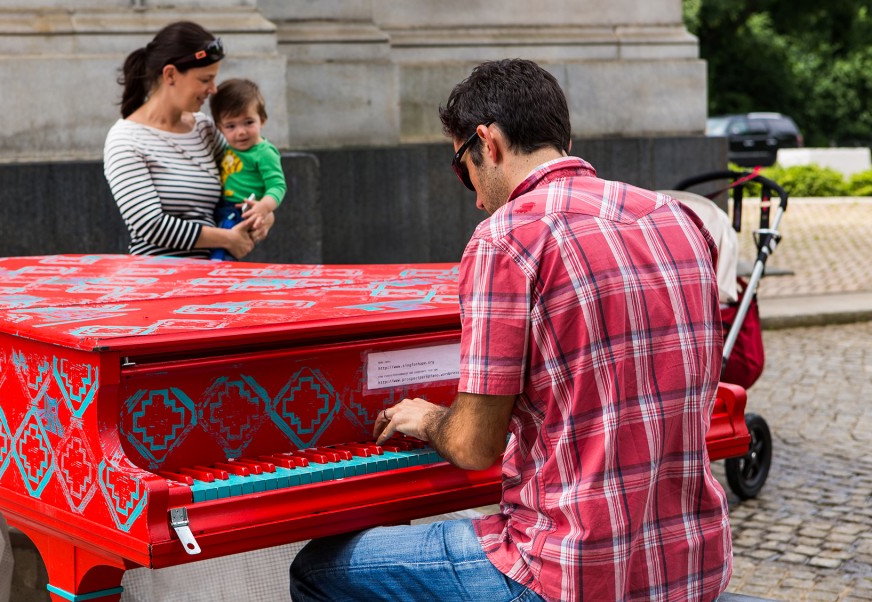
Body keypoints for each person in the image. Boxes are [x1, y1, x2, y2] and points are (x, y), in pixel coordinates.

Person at [289, 59, 732, 602]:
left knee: (318, 569)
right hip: (693, 567)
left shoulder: (506, 238)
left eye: (463, 169)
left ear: (487, 142)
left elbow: (475, 447)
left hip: (566, 574)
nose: (475, 197)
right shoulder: (678, 220)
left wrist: (428, 417)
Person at [104, 21, 274, 259]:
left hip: (214, 279)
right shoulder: (126, 140)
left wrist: (263, 213)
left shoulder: (203, 128)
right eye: (205, 80)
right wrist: (226, 238)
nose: (213, 89)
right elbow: (150, 225)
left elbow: (245, 176)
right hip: (157, 283)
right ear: (171, 75)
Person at [208, 78, 287, 260]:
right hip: (221, 207)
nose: (241, 132)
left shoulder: (264, 152)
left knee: (223, 251)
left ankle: (217, 273)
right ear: (220, 128)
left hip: (242, 210)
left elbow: (277, 186)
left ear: (263, 120)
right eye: (231, 126)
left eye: (248, 122)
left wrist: (264, 207)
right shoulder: (226, 147)